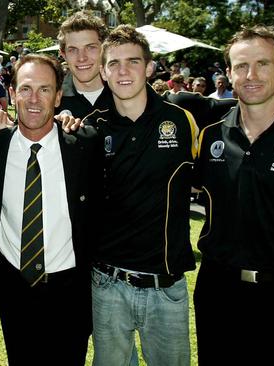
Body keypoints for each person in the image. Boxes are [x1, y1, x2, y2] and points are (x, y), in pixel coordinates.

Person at [194, 25, 274, 366]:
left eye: (262, 64)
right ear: (228, 73)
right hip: (216, 290)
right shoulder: (208, 133)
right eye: (240, 66)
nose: (251, 75)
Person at [0, 53, 101, 366]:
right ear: (12, 93)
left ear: (59, 96)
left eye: (45, 90)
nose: (34, 99)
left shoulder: (84, 145)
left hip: (69, 292)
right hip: (14, 288)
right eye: (25, 88)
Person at [90, 24, 198, 366]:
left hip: (165, 287)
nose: (123, 71)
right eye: (114, 63)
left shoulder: (184, 121)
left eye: (133, 62)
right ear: (103, 72)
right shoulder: (92, 128)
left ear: (150, 68)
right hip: (108, 284)